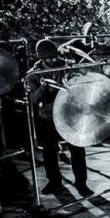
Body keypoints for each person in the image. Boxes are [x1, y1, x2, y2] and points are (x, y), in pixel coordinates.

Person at [25, 38, 93, 197]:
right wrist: (43, 88)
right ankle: (54, 182)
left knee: (77, 149)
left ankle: (81, 183)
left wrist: (75, 73)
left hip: (69, 114)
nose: (54, 59)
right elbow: (33, 99)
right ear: (41, 58)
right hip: (47, 117)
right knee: (49, 151)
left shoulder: (65, 64)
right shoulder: (33, 75)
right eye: (50, 58)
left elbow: (81, 83)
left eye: (55, 56)